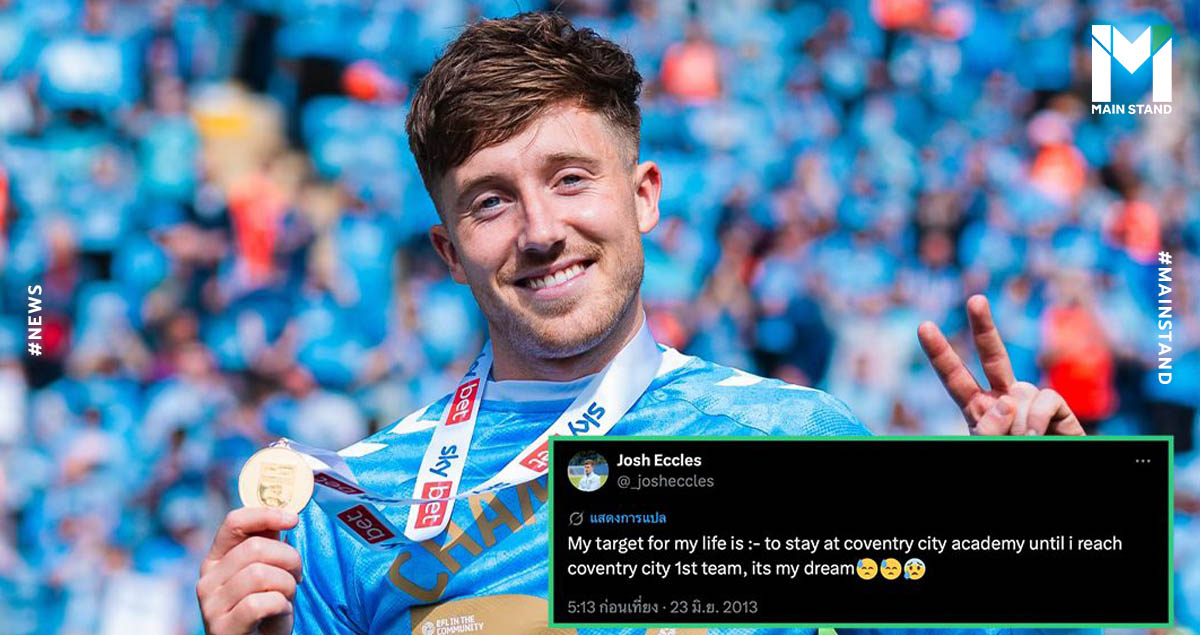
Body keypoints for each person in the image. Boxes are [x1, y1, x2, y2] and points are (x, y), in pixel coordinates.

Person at [196, 12, 1085, 635]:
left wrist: (1055, 533)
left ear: (644, 195)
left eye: (570, 178)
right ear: (449, 251)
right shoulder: (357, 507)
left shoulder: (789, 441)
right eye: (491, 201)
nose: (540, 230)